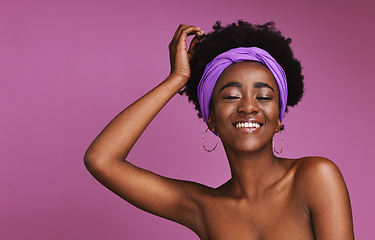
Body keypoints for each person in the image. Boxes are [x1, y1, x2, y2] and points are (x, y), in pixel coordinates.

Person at [84, 21, 354, 239]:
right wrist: (177, 79)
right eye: (231, 96)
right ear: (211, 120)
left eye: (263, 97)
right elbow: (101, 160)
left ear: (279, 119)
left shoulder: (316, 177)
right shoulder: (203, 207)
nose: (249, 107)